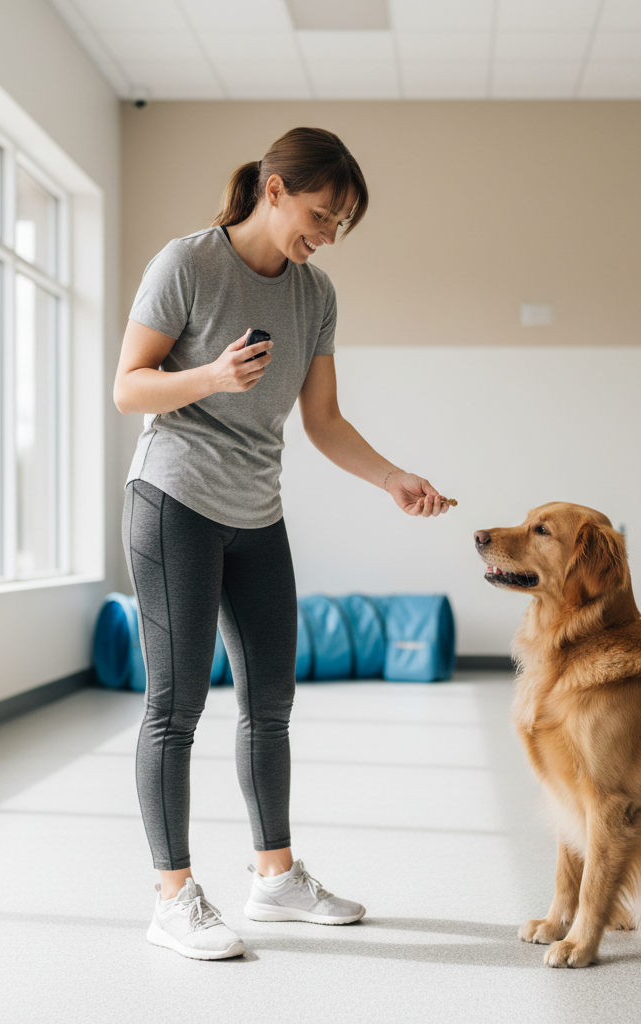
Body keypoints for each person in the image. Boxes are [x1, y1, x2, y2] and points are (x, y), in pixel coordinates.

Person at [113, 127, 453, 961]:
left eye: (340, 223)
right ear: (273, 189)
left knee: (271, 701)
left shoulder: (315, 294)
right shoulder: (187, 264)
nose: (328, 234)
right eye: (320, 212)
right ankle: (172, 896)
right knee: (176, 705)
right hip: (174, 500)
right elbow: (128, 387)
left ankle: (275, 877)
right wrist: (209, 378)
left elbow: (324, 421)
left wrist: (391, 478)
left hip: (256, 512)